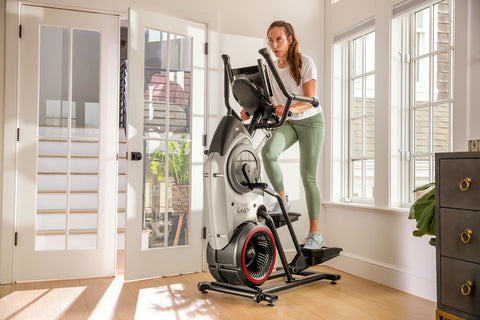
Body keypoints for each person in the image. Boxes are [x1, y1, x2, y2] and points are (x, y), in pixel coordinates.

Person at [241, 20, 325, 249]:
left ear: (290, 39)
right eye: (270, 39)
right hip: (288, 122)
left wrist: (289, 108)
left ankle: (315, 234)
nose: (274, 44)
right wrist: (248, 108)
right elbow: (266, 97)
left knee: (308, 177)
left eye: (279, 39)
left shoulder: (305, 63)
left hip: (311, 122)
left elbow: (310, 100)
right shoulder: (269, 67)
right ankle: (283, 199)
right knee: (268, 153)